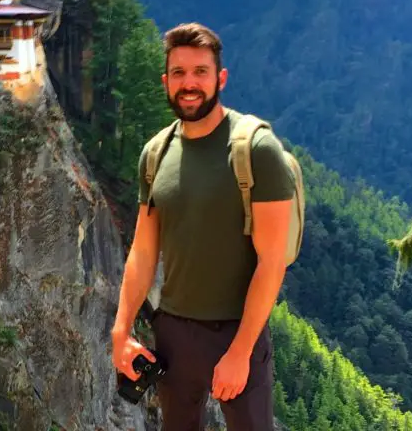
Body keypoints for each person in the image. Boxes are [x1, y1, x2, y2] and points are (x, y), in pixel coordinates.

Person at [110, 22, 295, 430]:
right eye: (179, 73)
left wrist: (241, 351)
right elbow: (143, 251)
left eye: (200, 72)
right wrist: (121, 331)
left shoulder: (257, 150)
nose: (188, 84)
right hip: (173, 333)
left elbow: (272, 260)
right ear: (166, 81)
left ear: (220, 78)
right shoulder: (156, 154)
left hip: (236, 331)